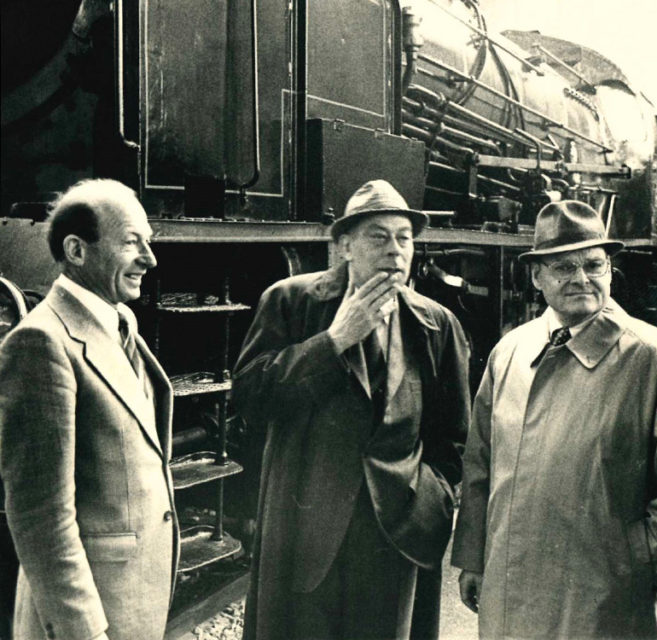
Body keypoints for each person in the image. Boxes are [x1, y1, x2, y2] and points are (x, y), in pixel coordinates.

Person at [232, 179, 471, 640]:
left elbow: (453, 436)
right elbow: (249, 397)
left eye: (405, 238)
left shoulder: (437, 324)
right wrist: (334, 341)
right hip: (304, 529)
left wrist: (430, 497)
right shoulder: (291, 302)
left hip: (396, 532)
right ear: (344, 245)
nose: (395, 250)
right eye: (378, 237)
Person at [452, 200, 657, 638]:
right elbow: (479, 463)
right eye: (564, 267)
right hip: (511, 583)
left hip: (605, 590)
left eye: (594, 265)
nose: (582, 278)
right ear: (536, 276)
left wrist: (641, 561)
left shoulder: (649, 356)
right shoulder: (510, 350)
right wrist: (473, 556)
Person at [0, 179, 178, 640]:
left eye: (149, 242)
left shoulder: (118, 322)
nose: (150, 258)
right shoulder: (40, 341)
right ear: (77, 251)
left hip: (127, 601)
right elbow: (41, 516)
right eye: (131, 242)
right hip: (87, 621)